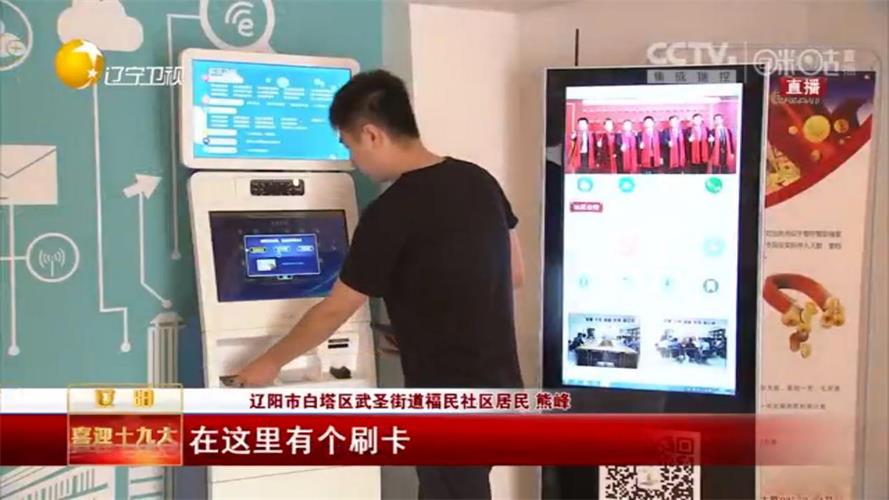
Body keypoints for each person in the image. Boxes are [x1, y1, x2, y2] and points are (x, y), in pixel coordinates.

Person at [232, 69, 525, 500]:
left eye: (349, 145)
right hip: (500, 388)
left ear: (371, 134)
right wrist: (420, 329)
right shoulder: (479, 180)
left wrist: (269, 363)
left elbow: (335, 309)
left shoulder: (391, 211)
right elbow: (512, 273)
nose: (354, 161)